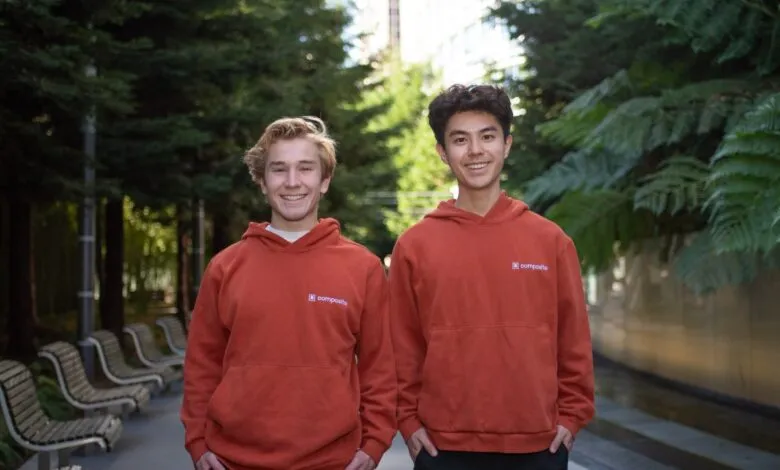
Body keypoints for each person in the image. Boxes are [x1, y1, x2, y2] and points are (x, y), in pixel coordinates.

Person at [389, 84, 595, 470]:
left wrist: (572, 415)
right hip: (441, 447)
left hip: (539, 445)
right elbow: (401, 347)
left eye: (487, 136)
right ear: (443, 153)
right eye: (460, 140)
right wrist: (407, 419)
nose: (476, 151)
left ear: (507, 144)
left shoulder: (550, 241)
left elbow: (574, 340)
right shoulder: (414, 246)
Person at [181, 116, 397, 470]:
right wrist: (198, 443)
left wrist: (374, 444)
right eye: (279, 170)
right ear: (262, 182)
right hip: (232, 459)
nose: (292, 182)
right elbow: (201, 366)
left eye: (306, 169)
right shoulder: (225, 267)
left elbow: (380, 370)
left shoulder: (363, 268)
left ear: (324, 180)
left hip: (334, 461)